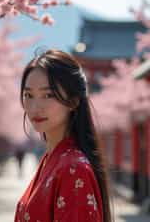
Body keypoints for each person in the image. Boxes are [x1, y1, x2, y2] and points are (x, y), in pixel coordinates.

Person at [14, 49, 114, 222]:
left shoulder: (73, 168)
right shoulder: (53, 158)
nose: (35, 107)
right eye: (28, 95)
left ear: (74, 100)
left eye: (48, 95)